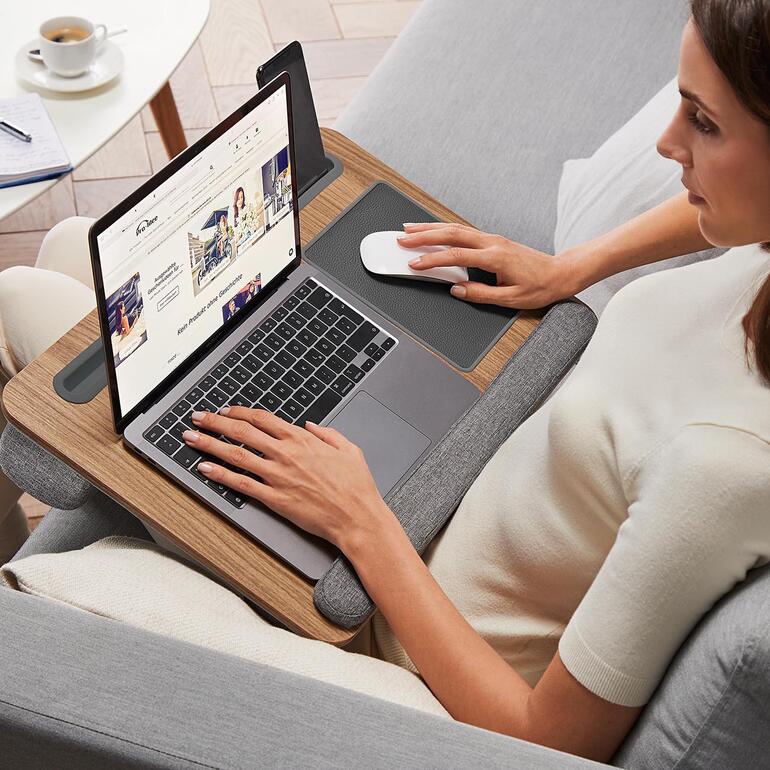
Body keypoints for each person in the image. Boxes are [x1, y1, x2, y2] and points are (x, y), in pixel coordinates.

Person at [148, 1, 770, 761]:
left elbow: (544, 741)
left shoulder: (724, 469)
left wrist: (360, 523)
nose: (668, 145)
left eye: (704, 123)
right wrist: (571, 267)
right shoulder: (756, 248)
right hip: (431, 494)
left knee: (55, 310)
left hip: (385, 639)